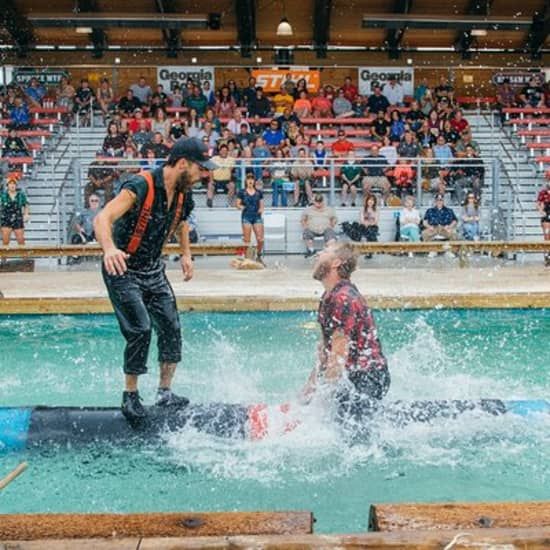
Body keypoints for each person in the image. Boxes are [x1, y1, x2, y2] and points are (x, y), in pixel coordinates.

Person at [94, 137, 217, 424]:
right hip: (122, 265)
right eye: (201, 168)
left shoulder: (184, 193)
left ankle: (165, 392)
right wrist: (109, 249)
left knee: (171, 326)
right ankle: (131, 395)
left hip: (152, 268)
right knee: (140, 327)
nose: (204, 175)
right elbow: (102, 218)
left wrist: (186, 255)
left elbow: (183, 222)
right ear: (183, 163)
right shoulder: (141, 185)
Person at [300, 242, 390, 435]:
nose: (318, 254)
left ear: (336, 262)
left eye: (324, 251)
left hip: (367, 378)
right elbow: (325, 349)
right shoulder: (330, 295)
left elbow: (339, 354)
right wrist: (308, 392)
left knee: (352, 438)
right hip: (354, 375)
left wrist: (319, 405)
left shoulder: (343, 298)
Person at [236, 172, 264, 262]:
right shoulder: (242, 192)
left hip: (256, 216)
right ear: (246, 181)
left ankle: (259, 255)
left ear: (254, 181)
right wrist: (241, 207)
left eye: (252, 179)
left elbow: (262, 205)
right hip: (246, 216)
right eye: (248, 179)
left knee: (260, 238)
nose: (250, 181)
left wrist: (261, 209)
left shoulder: (259, 192)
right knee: (247, 240)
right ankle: (248, 258)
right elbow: (237, 204)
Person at [1, 177, 30, 246]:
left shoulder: (20, 195)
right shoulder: (3, 195)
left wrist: (26, 214)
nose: (12, 185)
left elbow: (26, 205)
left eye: (14, 183)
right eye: (10, 183)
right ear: (7, 185)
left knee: (21, 241)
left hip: (18, 218)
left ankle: (25, 256)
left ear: (16, 185)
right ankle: (3, 257)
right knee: (5, 242)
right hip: (6, 218)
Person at [536, 181, 550, 266]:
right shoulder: (543, 193)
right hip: (547, 216)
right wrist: (541, 211)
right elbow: (537, 204)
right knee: (547, 237)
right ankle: (547, 257)